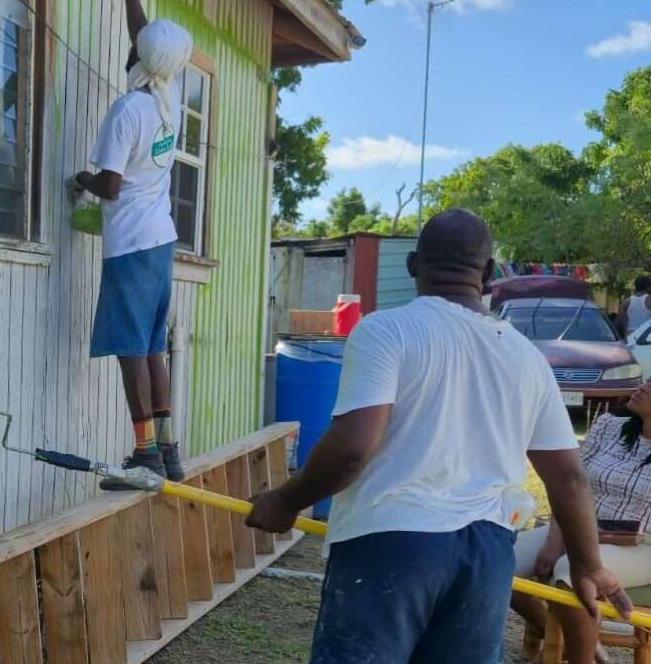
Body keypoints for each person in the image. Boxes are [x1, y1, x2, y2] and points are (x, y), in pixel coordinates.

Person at [246, 209, 631, 663]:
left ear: (413, 264)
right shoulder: (527, 358)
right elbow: (569, 478)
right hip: (485, 554)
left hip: (390, 542)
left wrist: (284, 501)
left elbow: (352, 449)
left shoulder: (386, 330)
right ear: (488, 273)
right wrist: (588, 564)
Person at [68, 0, 190, 484]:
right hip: (160, 241)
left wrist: (80, 180)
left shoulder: (128, 111)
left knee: (130, 351)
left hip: (132, 246)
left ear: (141, 58)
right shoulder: (170, 100)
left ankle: (143, 454)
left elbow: (111, 186)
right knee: (152, 348)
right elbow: (143, 34)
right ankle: (167, 451)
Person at [512, 387, 651, 663]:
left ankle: (581, 659)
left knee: (574, 571)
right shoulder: (609, 426)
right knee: (499, 556)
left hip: (643, 546)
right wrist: (554, 542)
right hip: (582, 527)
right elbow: (569, 487)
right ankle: (554, 633)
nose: (643, 386)